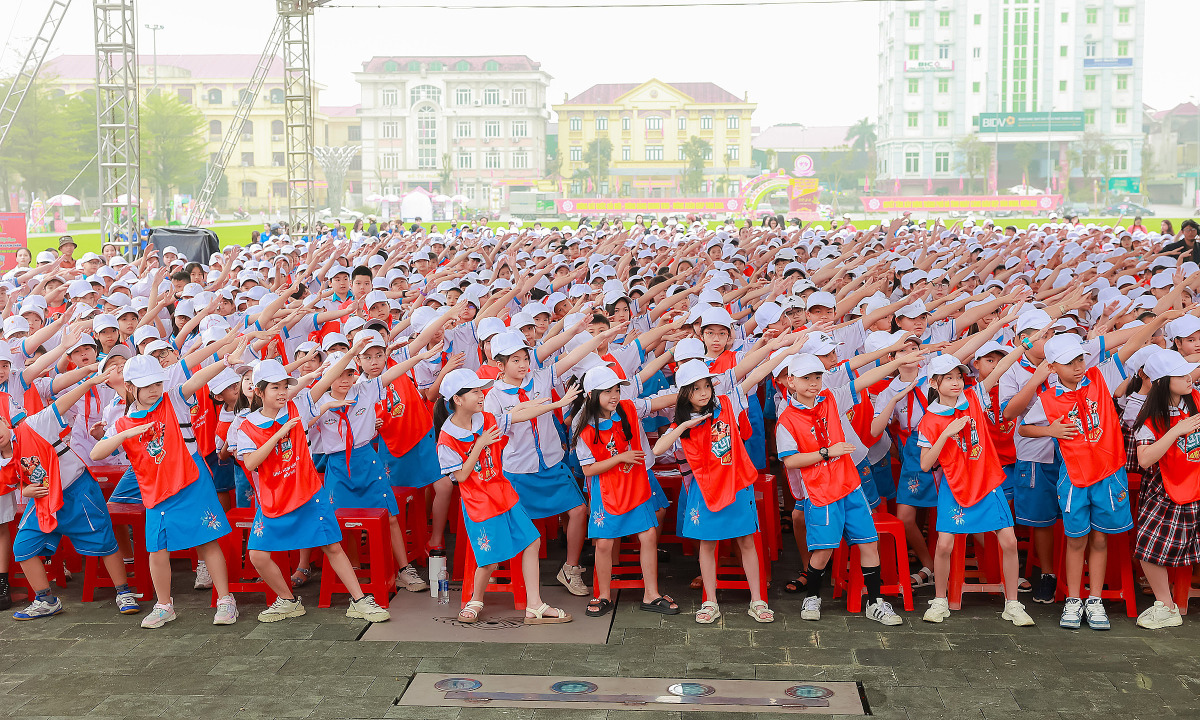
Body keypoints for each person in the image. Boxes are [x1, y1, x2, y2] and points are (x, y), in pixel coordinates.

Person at [1019, 315, 1169, 630]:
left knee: (1099, 539)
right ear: (1052, 367)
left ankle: (1095, 600)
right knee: (1076, 540)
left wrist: (1163, 317)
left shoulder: (1100, 377)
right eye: (1068, 361)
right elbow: (1023, 427)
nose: (1077, 366)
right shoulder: (1048, 396)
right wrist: (1053, 430)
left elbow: (1130, 345)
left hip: (1108, 472)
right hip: (1074, 477)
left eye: (1080, 359)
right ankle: (1073, 600)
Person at [777, 349, 926, 625]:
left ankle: (874, 602)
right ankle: (812, 597)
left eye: (817, 376)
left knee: (869, 543)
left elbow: (864, 379)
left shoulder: (831, 398)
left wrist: (896, 362)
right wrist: (827, 452)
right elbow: (790, 461)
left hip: (850, 486)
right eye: (806, 377)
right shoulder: (786, 419)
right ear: (791, 382)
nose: (813, 382)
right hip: (820, 492)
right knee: (823, 550)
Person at [234, 360, 391, 623]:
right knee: (258, 556)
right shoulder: (246, 426)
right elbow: (251, 463)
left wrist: (351, 352)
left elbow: (325, 380)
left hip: (307, 493)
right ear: (259, 392)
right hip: (273, 500)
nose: (283, 392)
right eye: (275, 387)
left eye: (285, 386)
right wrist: (279, 434)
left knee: (332, 546)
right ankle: (287, 600)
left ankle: (360, 600)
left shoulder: (298, 407)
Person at [90, 351, 239, 628]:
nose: (154, 390)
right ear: (131, 387)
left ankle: (226, 599)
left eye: (157, 383)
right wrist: (123, 435)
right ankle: (164, 605)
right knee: (157, 548)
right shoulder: (123, 422)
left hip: (190, 480)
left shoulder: (173, 398)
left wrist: (226, 362)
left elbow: (197, 380)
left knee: (207, 541)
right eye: (147, 386)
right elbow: (97, 453)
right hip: (156, 490)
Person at [434, 368, 573, 625]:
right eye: (475, 391)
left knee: (532, 541)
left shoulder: (486, 419)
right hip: (479, 503)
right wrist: (480, 444)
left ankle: (535, 605)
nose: (481, 395)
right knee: (490, 560)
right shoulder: (447, 439)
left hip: (504, 494)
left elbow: (517, 416)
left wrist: (555, 405)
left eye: (481, 390)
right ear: (458, 399)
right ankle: (475, 601)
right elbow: (461, 477)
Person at [7, 370, 139, 620]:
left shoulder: (33, 425)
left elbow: (61, 404)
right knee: (23, 546)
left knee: (105, 541)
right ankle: (45, 599)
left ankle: (123, 592)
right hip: (44, 501)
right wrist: (25, 490)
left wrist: (89, 381)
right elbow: (11, 482)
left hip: (77, 490)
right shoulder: (4, 455)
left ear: (6, 421)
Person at [652, 359, 776, 623]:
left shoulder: (726, 405)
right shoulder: (682, 427)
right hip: (704, 490)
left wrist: (786, 348)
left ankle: (758, 599)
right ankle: (710, 600)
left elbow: (756, 374)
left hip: (737, 484)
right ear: (684, 393)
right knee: (707, 544)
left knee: (746, 541)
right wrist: (684, 426)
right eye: (696, 388)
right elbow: (657, 449)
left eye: (707, 385)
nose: (704, 392)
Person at [916, 353, 1035, 627]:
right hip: (955, 484)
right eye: (948, 378)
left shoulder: (973, 397)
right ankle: (940, 600)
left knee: (1009, 541)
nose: (956, 383)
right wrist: (946, 433)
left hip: (987, 480)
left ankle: (1013, 603)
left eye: (959, 376)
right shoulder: (930, 420)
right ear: (934, 383)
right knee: (944, 544)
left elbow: (1000, 368)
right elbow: (925, 464)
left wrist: (1024, 345)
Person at [573, 366, 677, 618]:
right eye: (607, 391)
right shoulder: (584, 426)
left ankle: (651, 594)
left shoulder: (629, 408)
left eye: (617, 389)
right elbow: (588, 470)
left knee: (649, 536)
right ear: (591, 395)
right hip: (606, 491)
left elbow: (655, 403)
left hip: (636, 485)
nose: (614, 395)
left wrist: (688, 392)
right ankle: (604, 595)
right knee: (604, 544)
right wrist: (621, 458)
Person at [1131, 350, 1200, 629]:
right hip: (1168, 487)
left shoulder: (1194, 398)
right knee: (1148, 548)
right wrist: (1175, 431)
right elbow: (1145, 459)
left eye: (1189, 372)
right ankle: (1167, 605)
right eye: (1182, 374)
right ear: (1162, 381)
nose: (1189, 378)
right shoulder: (1151, 416)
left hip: (1193, 484)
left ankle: (1167, 607)